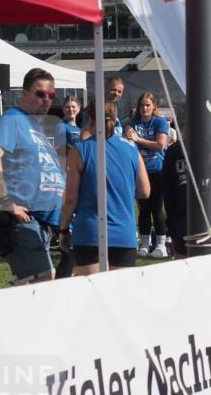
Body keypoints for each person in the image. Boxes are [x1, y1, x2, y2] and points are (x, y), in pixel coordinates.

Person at [0, 68, 66, 284]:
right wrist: (7, 202)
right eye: (40, 94)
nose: (46, 100)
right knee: (42, 284)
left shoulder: (35, 127)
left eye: (51, 95)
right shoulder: (13, 118)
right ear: (24, 94)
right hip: (18, 218)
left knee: (34, 284)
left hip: (40, 221)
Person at [59, 102, 149, 274]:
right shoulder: (131, 148)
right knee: (119, 297)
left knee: (92, 296)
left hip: (90, 233)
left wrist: (63, 229)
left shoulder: (79, 149)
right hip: (124, 233)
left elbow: (71, 198)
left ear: (89, 120)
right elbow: (144, 191)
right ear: (115, 121)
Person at [125, 92, 170, 258]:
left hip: (157, 170)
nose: (144, 108)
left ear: (154, 107)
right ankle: (144, 243)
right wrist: (130, 134)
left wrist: (139, 140)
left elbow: (160, 145)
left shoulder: (159, 122)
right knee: (143, 209)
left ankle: (161, 244)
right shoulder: (133, 123)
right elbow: (128, 138)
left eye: (148, 105)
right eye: (142, 105)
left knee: (157, 208)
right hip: (139, 172)